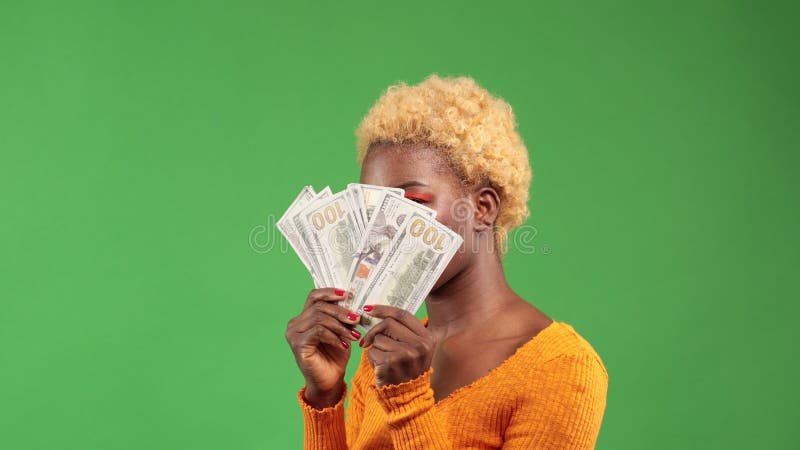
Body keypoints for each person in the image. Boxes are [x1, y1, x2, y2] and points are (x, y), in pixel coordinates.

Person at [285, 75, 608, 449]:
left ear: (483, 208)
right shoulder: (384, 350)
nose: (383, 229)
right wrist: (323, 399)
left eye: (415, 202)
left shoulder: (561, 367)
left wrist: (407, 400)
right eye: (372, 210)